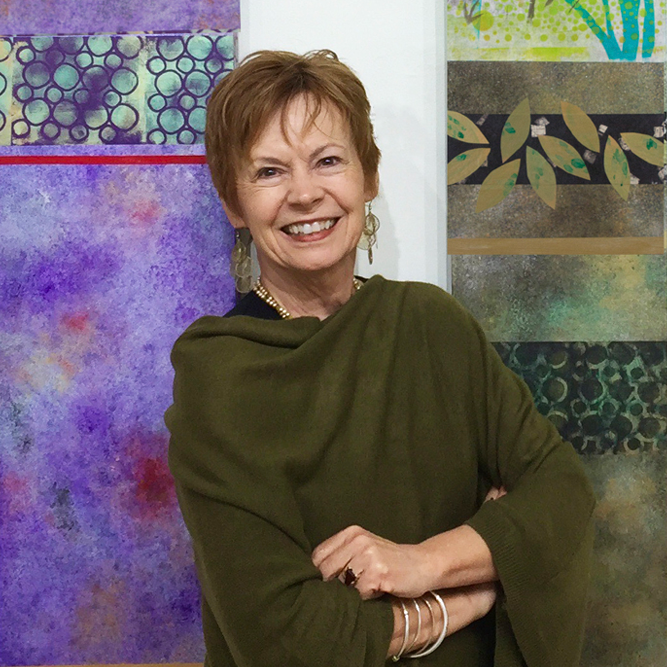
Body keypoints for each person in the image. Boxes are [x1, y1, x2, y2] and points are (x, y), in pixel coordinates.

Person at [165, 50, 595, 666]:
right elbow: (287, 641)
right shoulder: (220, 378)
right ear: (234, 201)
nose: (305, 194)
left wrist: (424, 562)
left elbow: (563, 495)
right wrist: (476, 591)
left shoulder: (432, 325)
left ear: (368, 176)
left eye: (328, 161)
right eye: (269, 171)